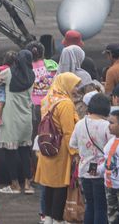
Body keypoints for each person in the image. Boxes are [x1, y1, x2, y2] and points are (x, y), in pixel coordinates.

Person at [34, 72, 81, 224]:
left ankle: (47, 218)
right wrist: (74, 152)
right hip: (61, 150)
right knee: (60, 186)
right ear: (66, 85)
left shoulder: (48, 99)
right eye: (74, 85)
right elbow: (68, 132)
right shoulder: (65, 103)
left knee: (48, 186)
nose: (76, 89)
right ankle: (56, 219)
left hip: (47, 148)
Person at [69, 92, 111, 224]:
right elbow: (113, 148)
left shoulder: (80, 124)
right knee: (101, 207)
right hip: (101, 170)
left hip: (84, 169)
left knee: (90, 205)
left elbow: (72, 144)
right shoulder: (107, 126)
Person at [0, 50, 35, 194]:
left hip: (10, 117)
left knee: (10, 152)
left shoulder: (8, 73)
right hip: (26, 117)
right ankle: (27, 184)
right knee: (25, 151)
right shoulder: (32, 75)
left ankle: (14, 185)